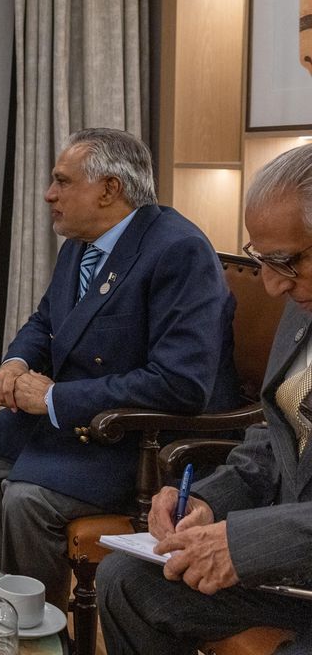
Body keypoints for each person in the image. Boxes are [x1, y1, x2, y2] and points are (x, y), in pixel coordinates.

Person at [0, 127, 242, 611]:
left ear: (109, 189)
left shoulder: (178, 250)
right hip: (87, 427)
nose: (49, 194)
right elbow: (45, 322)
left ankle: (32, 629)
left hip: (142, 442)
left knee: (27, 499)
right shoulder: (82, 245)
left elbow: (180, 384)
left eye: (62, 181)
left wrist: (53, 398)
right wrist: (17, 363)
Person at [97, 144, 312, 653]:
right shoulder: (302, 306)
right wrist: (209, 503)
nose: (271, 285)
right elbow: (274, 442)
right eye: (262, 259)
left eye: (285, 261)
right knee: (125, 580)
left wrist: (244, 543)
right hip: (287, 561)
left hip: (288, 549)